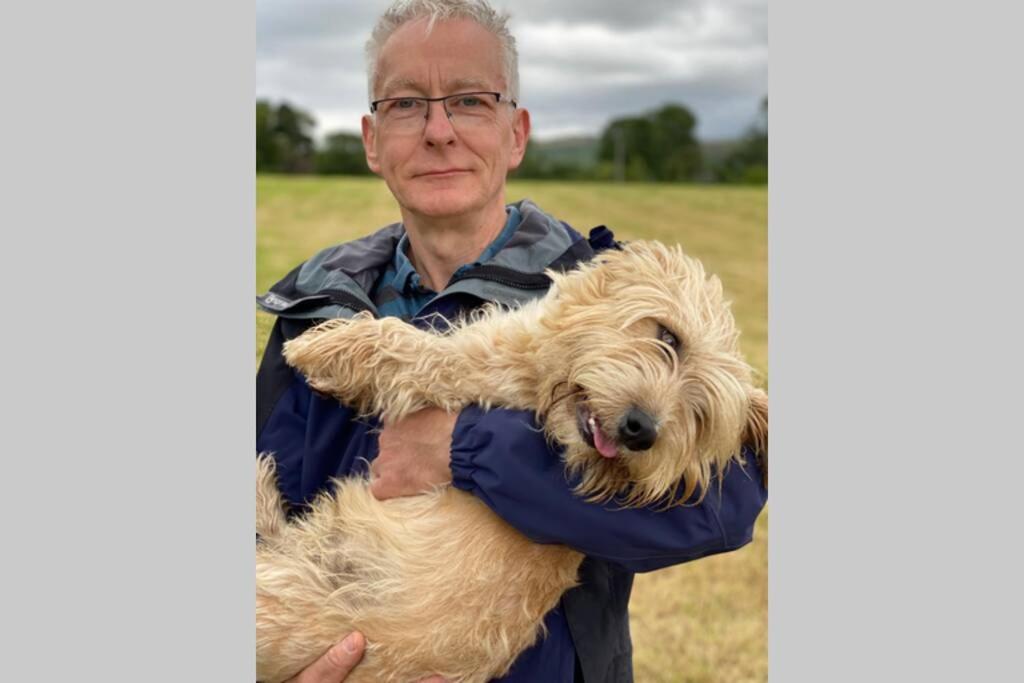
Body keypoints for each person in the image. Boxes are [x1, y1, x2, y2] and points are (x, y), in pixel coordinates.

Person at [256, 1, 768, 681]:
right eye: (407, 104)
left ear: (517, 132)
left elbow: (722, 503)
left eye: (469, 100)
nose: (438, 131)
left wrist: (462, 449)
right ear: (372, 140)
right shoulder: (313, 300)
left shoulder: (607, 295)